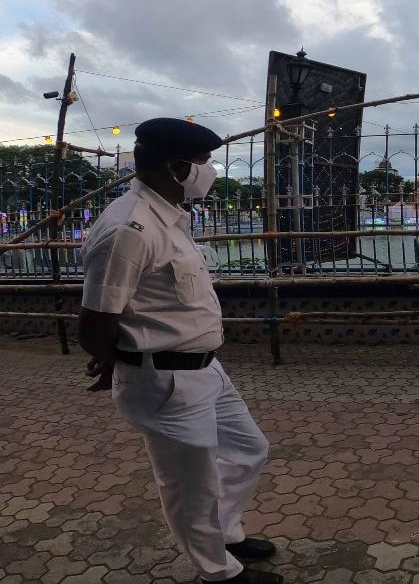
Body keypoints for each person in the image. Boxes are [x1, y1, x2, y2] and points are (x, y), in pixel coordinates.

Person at [79, 118, 281, 584]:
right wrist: (115, 359)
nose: (209, 172)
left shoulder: (167, 215)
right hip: (165, 379)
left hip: (205, 369)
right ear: (177, 168)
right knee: (191, 486)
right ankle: (217, 571)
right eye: (203, 163)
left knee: (249, 449)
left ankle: (224, 532)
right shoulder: (129, 229)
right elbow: (94, 321)